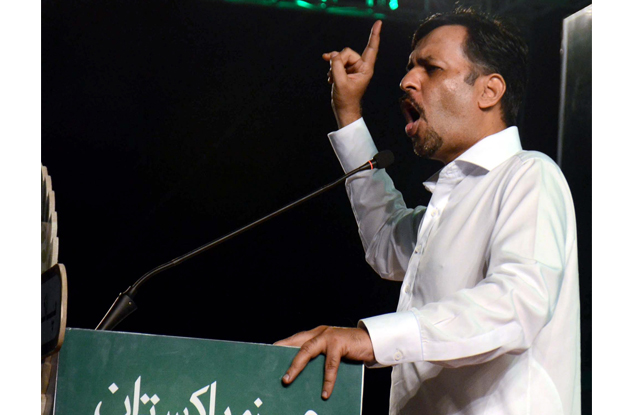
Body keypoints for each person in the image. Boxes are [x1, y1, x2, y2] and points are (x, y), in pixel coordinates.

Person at [276, 8, 580, 415]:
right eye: (409, 67)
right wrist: (349, 114)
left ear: (488, 92)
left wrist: (371, 339)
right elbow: (386, 240)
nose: (406, 82)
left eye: (431, 68)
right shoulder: (451, 204)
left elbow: (516, 304)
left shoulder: (530, 175)